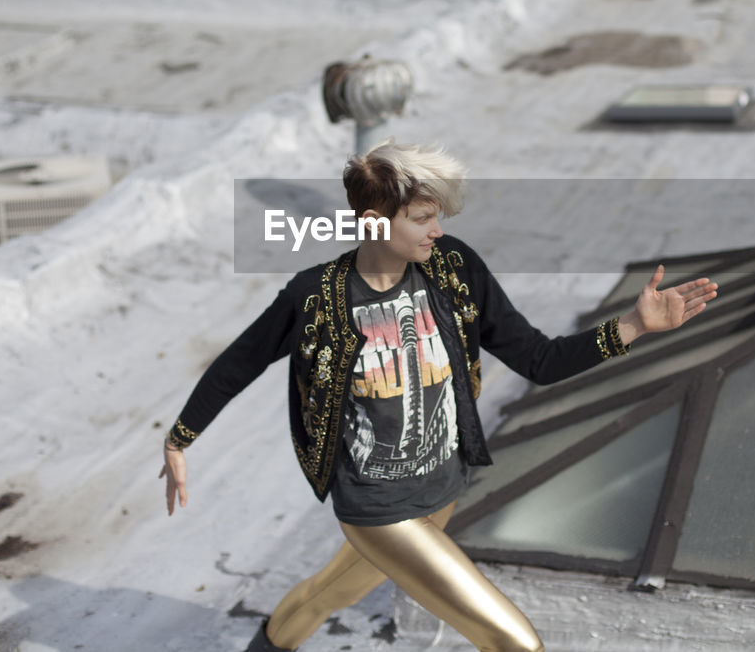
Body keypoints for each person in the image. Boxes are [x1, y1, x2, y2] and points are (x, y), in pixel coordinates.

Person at [159, 141, 718, 652]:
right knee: (515, 643)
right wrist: (180, 440)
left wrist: (634, 327)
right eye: (423, 218)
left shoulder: (454, 270)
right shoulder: (315, 298)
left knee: (330, 594)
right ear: (376, 223)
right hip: (377, 507)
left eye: (439, 218)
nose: (437, 231)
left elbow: (538, 359)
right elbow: (237, 363)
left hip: (443, 488)